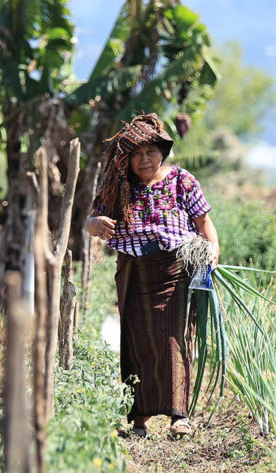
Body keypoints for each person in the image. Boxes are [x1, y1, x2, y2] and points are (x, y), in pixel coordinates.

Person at [86, 113, 220, 438]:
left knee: (174, 339)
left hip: (175, 270)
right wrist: (94, 225)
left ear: (163, 152)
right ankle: (139, 420)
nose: (144, 159)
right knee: (137, 341)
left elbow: (203, 224)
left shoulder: (181, 181)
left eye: (151, 152)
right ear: (127, 159)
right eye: (137, 154)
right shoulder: (119, 185)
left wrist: (212, 251)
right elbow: (92, 220)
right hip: (133, 271)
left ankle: (179, 417)